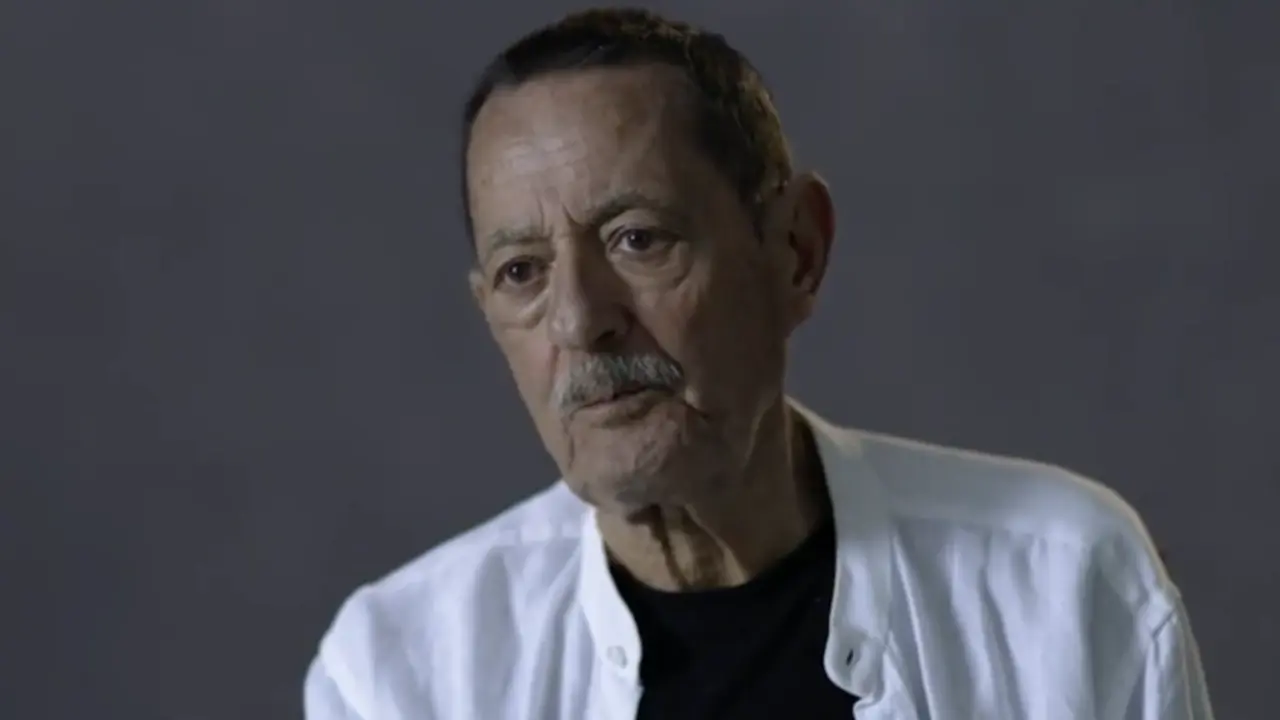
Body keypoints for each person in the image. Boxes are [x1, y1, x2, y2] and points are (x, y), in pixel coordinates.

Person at [303, 8, 1214, 719]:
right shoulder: (402, 675)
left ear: (795, 253)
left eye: (637, 239)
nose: (580, 320)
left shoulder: (1062, 590)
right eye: (522, 273)